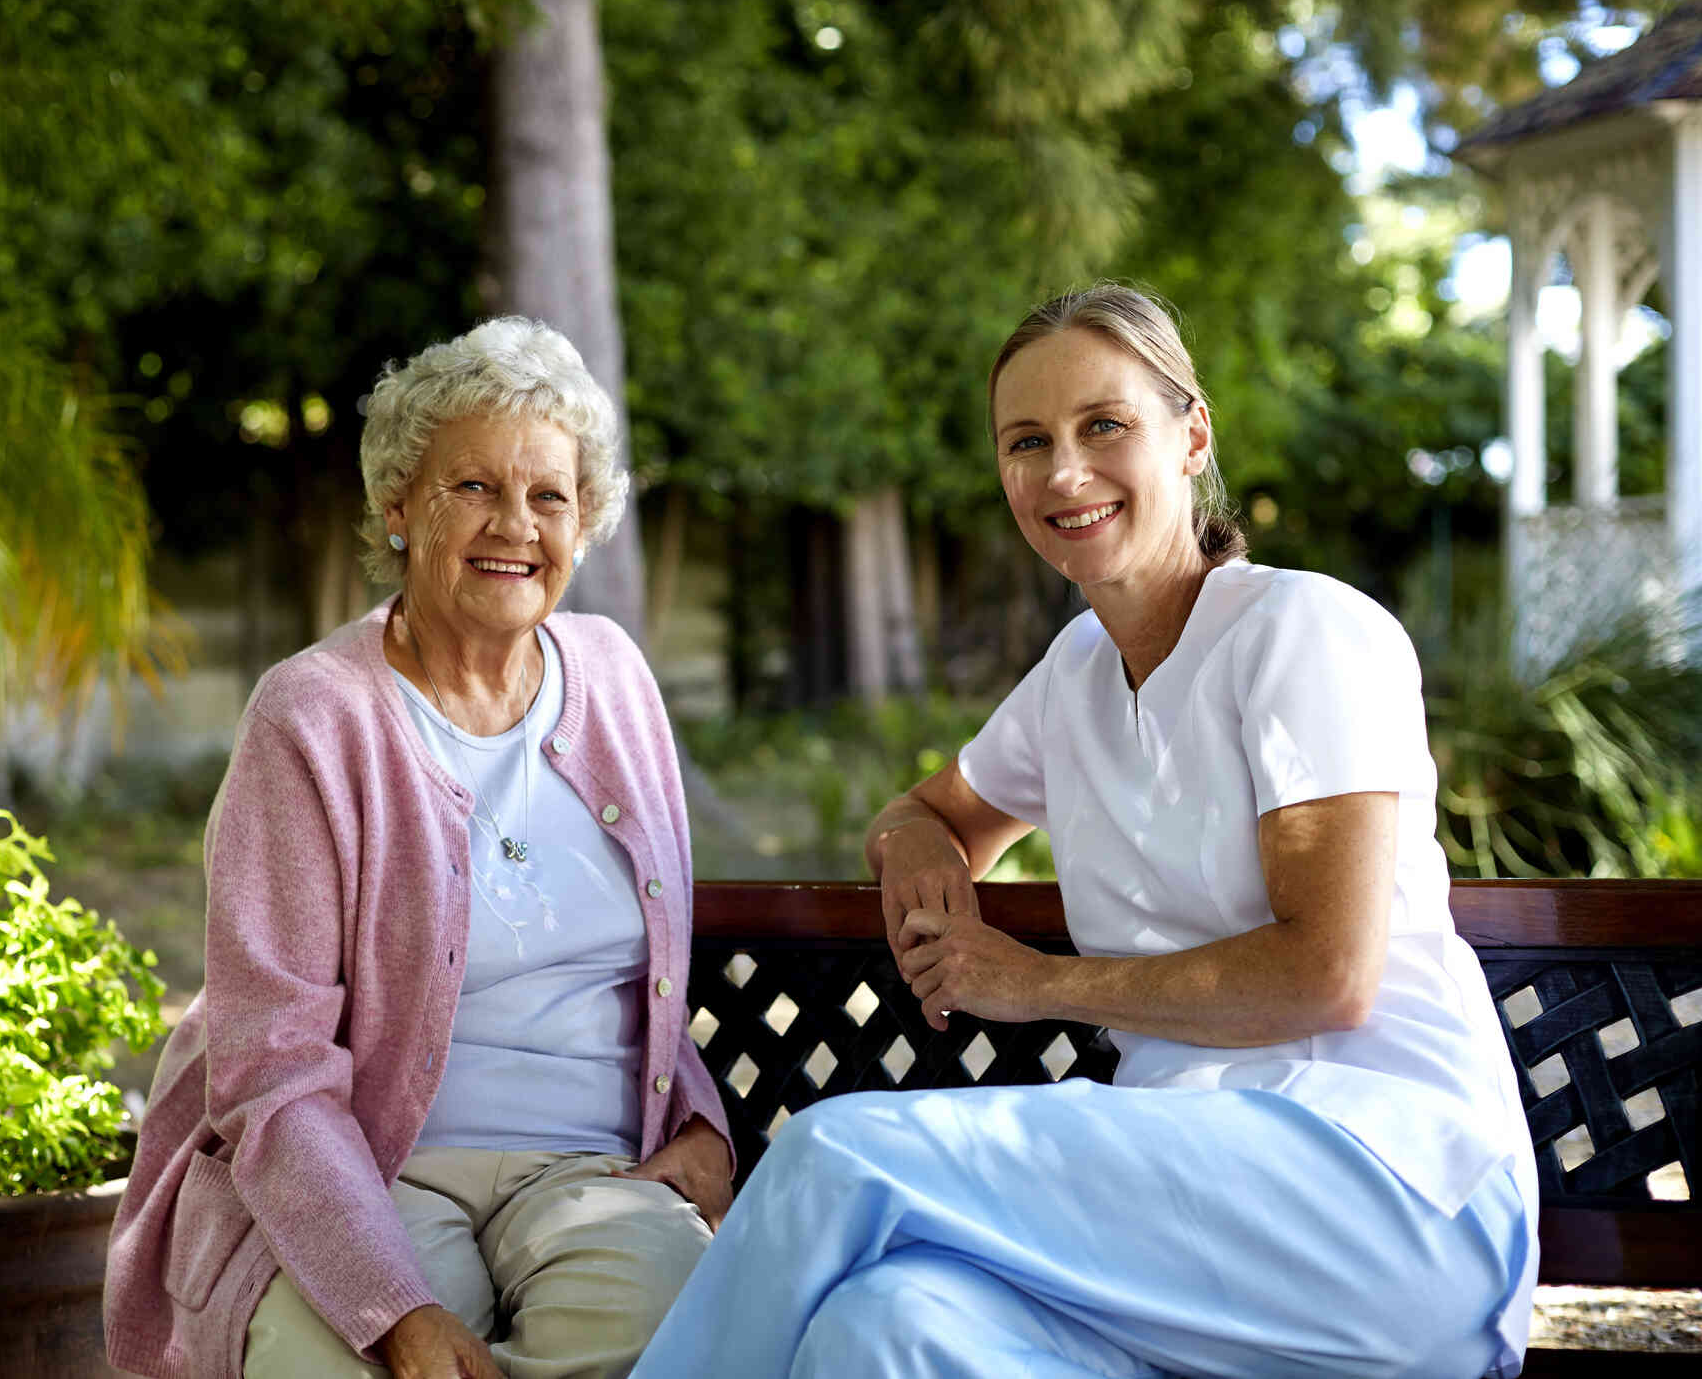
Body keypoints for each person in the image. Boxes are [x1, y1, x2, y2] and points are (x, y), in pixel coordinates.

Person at [629, 283, 1537, 1379]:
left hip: (1386, 1192)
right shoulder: (1076, 678)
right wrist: (917, 840)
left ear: (1191, 434)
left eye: (1104, 425)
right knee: (889, 1324)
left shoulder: (1307, 632)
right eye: (1027, 442)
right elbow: (930, 812)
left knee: (836, 1155)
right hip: (1176, 1223)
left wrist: (1036, 981)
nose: (1063, 472)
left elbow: (1328, 974)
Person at [105, 316, 733, 1379]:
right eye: (473, 488)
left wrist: (705, 1129)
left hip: (594, 1172)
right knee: (351, 1365)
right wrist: (392, 1307)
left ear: (584, 524)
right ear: (400, 505)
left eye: (550, 496)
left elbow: (655, 980)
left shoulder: (617, 677)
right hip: (371, 1167)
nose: (516, 525)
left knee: (681, 1337)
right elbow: (272, 1066)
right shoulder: (311, 716)